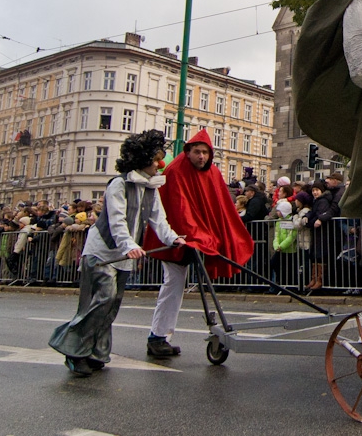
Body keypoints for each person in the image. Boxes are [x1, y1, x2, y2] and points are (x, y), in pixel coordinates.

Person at [49, 130, 186, 377]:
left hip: (124, 257)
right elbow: (117, 221)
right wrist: (129, 246)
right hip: (102, 253)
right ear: (142, 158)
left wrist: (173, 238)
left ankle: (96, 352)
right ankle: (73, 350)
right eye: (156, 159)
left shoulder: (150, 190)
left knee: (111, 305)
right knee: (100, 300)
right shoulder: (119, 184)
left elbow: (159, 220)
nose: (160, 164)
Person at [142, 130, 254, 358]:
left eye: (205, 152)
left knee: (175, 285)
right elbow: (180, 209)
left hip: (197, 238)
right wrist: (198, 237)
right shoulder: (175, 170)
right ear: (188, 152)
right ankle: (157, 337)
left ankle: (159, 336)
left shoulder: (212, 172)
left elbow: (220, 206)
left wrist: (218, 236)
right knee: (173, 284)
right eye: (197, 152)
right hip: (175, 239)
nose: (201, 157)